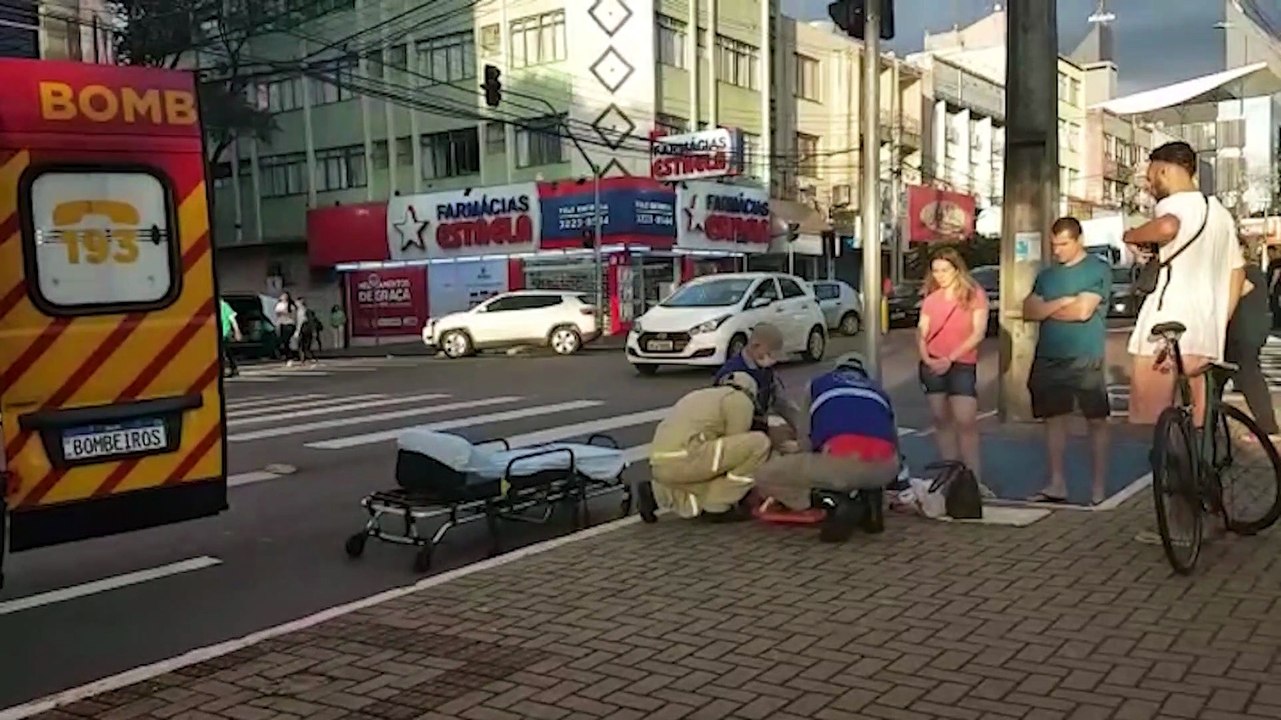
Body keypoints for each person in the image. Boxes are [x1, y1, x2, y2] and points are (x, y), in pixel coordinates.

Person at [1123, 141, 1244, 428]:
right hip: (1206, 332)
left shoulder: (1172, 204)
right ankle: (1199, 454)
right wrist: (1220, 319)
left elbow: (1169, 226)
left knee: (1148, 419)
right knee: (1199, 424)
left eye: (1151, 177)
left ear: (1164, 171)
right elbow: (1237, 273)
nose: (1150, 186)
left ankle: (1164, 457)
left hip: (1164, 325)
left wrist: (1132, 235)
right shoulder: (1220, 213)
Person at [752, 352, 902, 542]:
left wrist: (802, 459)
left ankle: (834, 502)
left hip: (842, 463)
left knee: (765, 475)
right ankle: (871, 508)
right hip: (885, 468)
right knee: (862, 463)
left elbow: (805, 435)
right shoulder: (880, 392)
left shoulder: (818, 385)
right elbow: (894, 439)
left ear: (836, 368)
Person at [1022, 217, 1112, 505]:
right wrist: (1062, 302)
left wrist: (1047, 308)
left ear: (1078, 240)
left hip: (1084, 355)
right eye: (1054, 245)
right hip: (1049, 355)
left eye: (1063, 244)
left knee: (1095, 420)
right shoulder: (1047, 276)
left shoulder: (1097, 269)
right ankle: (1056, 483)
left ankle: (1098, 487)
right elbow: (1028, 310)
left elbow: (1082, 312)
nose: (1058, 250)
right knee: (1053, 419)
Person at [639, 372, 771, 523]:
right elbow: (736, 443)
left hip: (660, 464)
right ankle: (718, 505)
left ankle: (656, 493)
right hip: (688, 455)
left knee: (700, 491)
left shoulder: (700, 395)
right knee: (758, 444)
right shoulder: (739, 398)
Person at [917, 247, 992, 495]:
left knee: (966, 421)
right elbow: (922, 331)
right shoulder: (931, 299)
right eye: (936, 271)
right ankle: (949, 476)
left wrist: (950, 358)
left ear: (957, 270)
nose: (940, 275)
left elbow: (978, 333)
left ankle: (973, 479)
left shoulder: (974, 295)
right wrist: (927, 357)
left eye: (945, 270)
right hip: (933, 362)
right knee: (941, 420)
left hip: (961, 363)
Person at [1224, 235, 1279, 439]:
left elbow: (1240, 289)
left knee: (1249, 374)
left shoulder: (1246, 271)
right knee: (1228, 373)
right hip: (1247, 330)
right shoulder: (1251, 270)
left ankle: (1268, 427)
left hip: (1244, 332)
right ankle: (1207, 424)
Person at [712, 323, 803, 445]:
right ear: (755, 346)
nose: (772, 360)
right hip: (732, 434)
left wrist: (802, 429)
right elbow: (731, 416)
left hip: (757, 430)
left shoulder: (766, 371)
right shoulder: (732, 374)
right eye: (769, 354)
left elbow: (782, 402)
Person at [218, 297, 243, 378]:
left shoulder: (224, 306)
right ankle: (233, 369)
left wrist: (237, 331)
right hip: (221, 334)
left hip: (225, 333)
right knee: (226, 352)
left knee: (225, 352)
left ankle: (231, 369)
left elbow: (233, 320)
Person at [274, 291, 298, 365]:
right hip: (282, 324)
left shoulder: (291, 306)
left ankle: (290, 357)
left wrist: (286, 313)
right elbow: (277, 314)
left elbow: (293, 316)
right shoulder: (279, 305)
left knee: (286, 340)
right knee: (283, 342)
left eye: (285, 296)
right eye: (282, 296)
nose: (283, 297)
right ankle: (288, 356)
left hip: (289, 324)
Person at [295, 297, 317, 365]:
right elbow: (311, 321)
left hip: (303, 328)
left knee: (301, 344)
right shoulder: (306, 310)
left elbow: (300, 322)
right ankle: (308, 358)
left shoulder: (301, 311)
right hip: (307, 328)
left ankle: (304, 359)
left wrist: (297, 331)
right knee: (306, 344)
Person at [1267, 246, 1281, 329]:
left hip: (1277, 289)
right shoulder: (1273, 262)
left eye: (1270, 253)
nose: (1269, 255)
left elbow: (1275, 275)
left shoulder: (1276, 263)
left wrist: (1271, 287)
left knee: (1276, 306)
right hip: (1276, 289)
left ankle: (1277, 324)